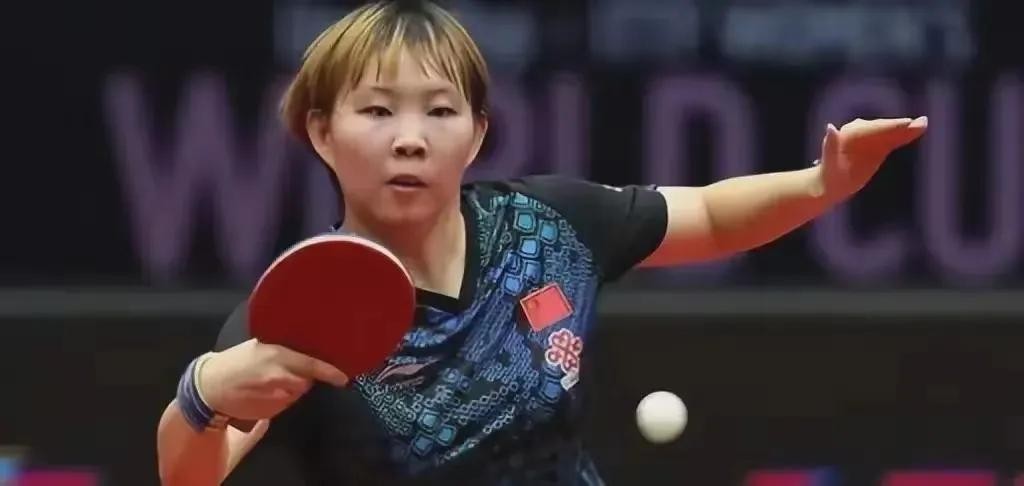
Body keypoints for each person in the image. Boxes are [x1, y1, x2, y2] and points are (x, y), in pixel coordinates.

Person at [155, 1, 927, 484]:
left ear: (476, 133)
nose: (410, 139)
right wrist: (204, 396)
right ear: (322, 132)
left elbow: (712, 216)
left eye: (439, 111)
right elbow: (189, 476)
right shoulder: (302, 311)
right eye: (378, 111)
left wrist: (823, 184)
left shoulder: (547, 227)